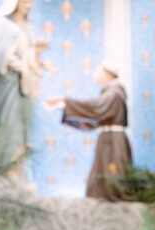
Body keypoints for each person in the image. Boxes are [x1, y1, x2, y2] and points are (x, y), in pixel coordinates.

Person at [44, 63, 132, 201]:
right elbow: (94, 115)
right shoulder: (111, 92)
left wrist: (65, 102)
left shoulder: (114, 92)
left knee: (113, 177)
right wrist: (64, 106)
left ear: (108, 73)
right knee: (100, 179)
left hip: (113, 142)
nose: (95, 73)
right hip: (107, 139)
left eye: (98, 69)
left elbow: (95, 108)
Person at [0, 0, 50, 168]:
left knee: (20, 128)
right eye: (25, 1)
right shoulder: (1, 24)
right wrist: (22, 66)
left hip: (23, 87)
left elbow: (30, 55)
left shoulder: (26, 27)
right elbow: (0, 57)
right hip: (6, 88)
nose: (29, 5)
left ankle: (17, 170)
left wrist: (34, 65)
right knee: (6, 124)